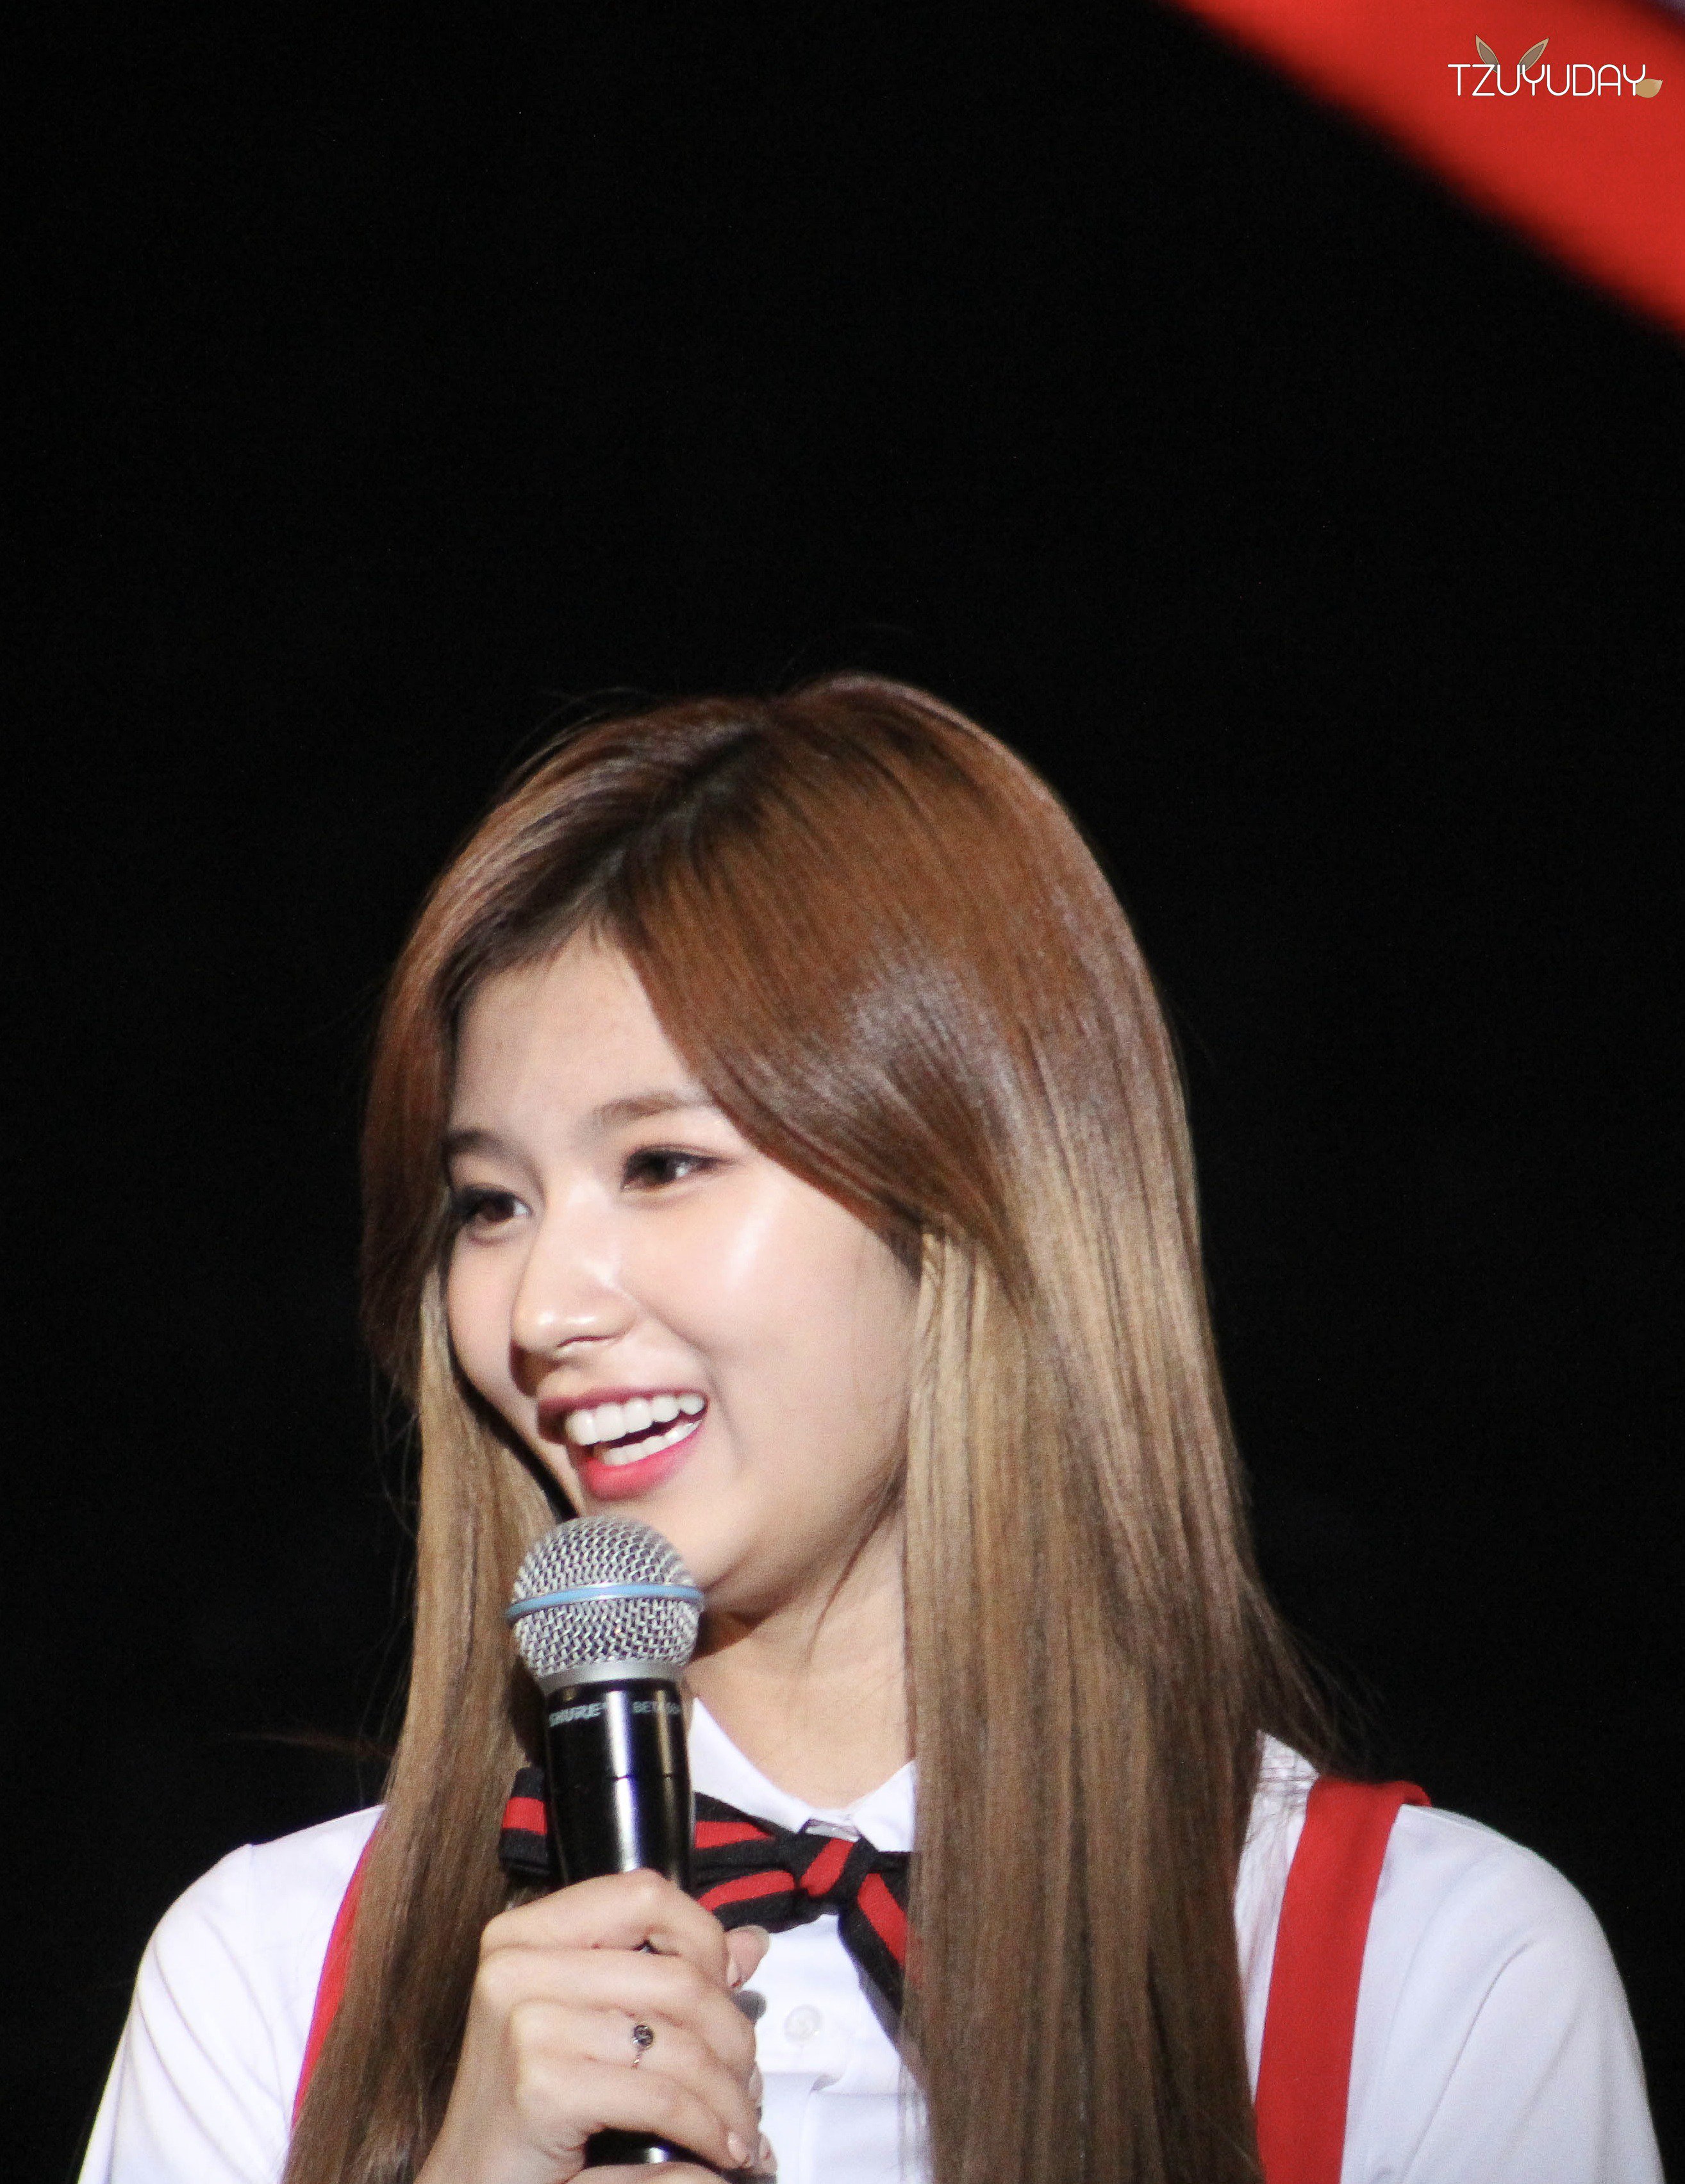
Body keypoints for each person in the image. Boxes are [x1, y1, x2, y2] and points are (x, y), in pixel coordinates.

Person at [81, 676, 1661, 2184]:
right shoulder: (271, 1976)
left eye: (662, 1166)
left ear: (972, 1199)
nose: (540, 1306)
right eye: (491, 1202)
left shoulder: (1424, 1977)